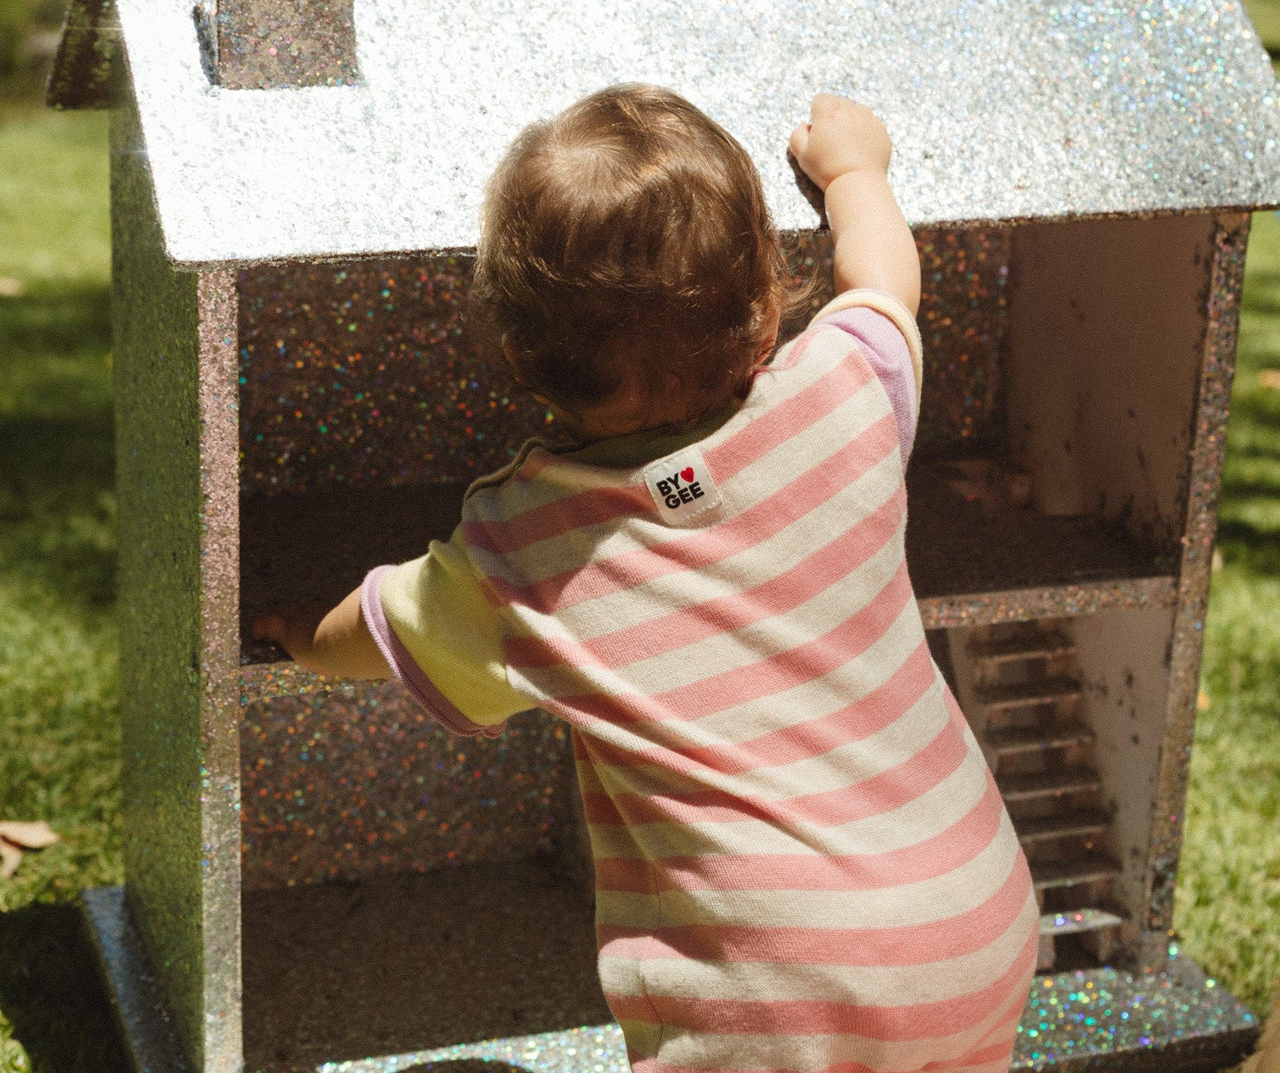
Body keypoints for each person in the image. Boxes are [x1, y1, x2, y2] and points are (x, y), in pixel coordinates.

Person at [254, 87, 1038, 1073]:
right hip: (967, 916)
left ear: (521, 364)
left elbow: (368, 635)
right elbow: (882, 279)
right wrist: (854, 174)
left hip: (767, 998)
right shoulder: (844, 395)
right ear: (763, 308)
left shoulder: (522, 549)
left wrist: (294, 630)